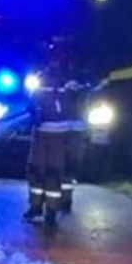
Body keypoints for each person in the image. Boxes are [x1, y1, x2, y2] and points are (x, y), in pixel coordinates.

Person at [23, 64, 91, 224]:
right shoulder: (46, 81)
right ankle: (40, 207)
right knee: (40, 171)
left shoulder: (71, 84)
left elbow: (74, 106)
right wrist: (34, 113)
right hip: (46, 135)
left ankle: (51, 208)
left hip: (57, 137)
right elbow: (33, 103)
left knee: (52, 173)